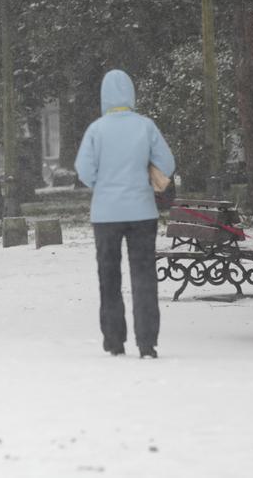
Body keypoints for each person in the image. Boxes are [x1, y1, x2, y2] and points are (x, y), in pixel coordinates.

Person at [75, 69, 175, 359]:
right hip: (142, 212)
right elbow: (166, 164)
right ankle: (147, 342)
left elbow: (84, 170)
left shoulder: (96, 129)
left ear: (104, 96)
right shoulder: (145, 127)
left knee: (108, 276)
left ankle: (114, 340)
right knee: (144, 276)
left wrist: (102, 184)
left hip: (105, 214)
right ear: (131, 94)